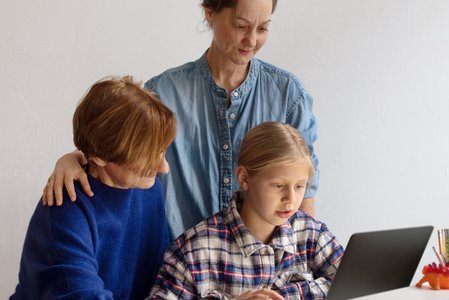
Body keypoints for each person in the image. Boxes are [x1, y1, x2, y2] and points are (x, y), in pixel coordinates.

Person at [42, 0, 319, 241]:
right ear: (209, 13)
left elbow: (304, 191)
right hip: (179, 272)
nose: (251, 40)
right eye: (241, 26)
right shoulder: (163, 92)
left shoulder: (288, 96)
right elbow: (118, 149)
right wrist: (73, 158)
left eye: (263, 28)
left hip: (262, 271)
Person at [11, 76, 176, 299]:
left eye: (161, 150)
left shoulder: (148, 188)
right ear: (100, 158)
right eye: (146, 156)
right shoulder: (64, 209)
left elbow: (162, 277)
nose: (163, 166)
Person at [148, 122, 344, 299]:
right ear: (244, 178)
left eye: (300, 186)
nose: (290, 199)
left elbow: (350, 284)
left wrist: (284, 296)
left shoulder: (312, 234)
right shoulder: (192, 252)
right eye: (278, 186)